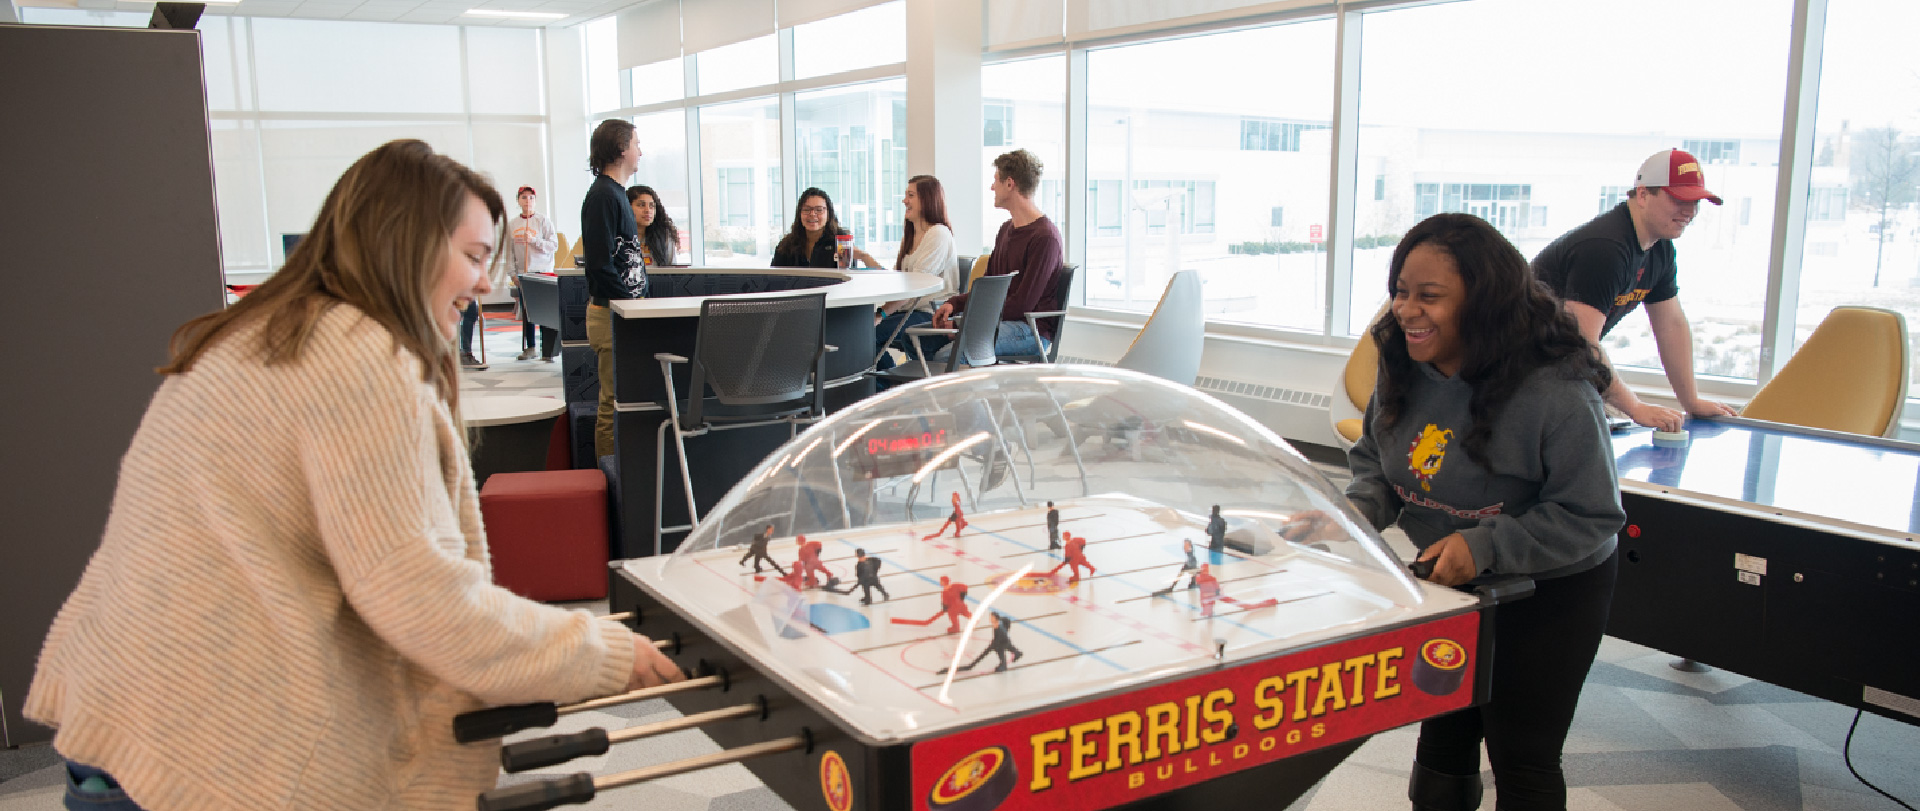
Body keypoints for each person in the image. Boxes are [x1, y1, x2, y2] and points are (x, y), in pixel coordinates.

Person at [22, 140, 685, 811]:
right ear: (409, 242)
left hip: (133, 717)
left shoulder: (267, 333)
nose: (485, 283)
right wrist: (600, 650)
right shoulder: (358, 361)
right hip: (200, 746)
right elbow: (424, 600)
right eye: (474, 256)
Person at [1346, 213, 1624, 810]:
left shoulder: (1555, 390)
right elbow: (1379, 460)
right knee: (1444, 732)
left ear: (1485, 300)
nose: (1406, 310)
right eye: (1400, 292)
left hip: (1549, 588)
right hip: (1451, 582)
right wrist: (1354, 516)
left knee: (1521, 754)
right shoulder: (1401, 360)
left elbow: (1592, 514)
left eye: (1429, 297)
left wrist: (1486, 546)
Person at [1531, 149, 1739, 433]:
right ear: (1642, 195)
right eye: (1679, 199)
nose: (1690, 212)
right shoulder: (1605, 248)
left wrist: (1691, 401)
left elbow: (1671, 326)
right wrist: (1635, 407)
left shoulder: (1660, 249)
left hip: (1552, 369)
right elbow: (1581, 342)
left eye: (1696, 202)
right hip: (1509, 372)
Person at [927, 149, 1062, 362]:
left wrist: (964, 323)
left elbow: (1021, 305)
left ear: (1010, 184)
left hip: (1029, 330)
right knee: (920, 341)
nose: (992, 187)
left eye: (995, 180)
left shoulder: (1046, 237)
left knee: (948, 356)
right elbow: (987, 291)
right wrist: (955, 304)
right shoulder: (1005, 230)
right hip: (999, 323)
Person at [582, 119, 650, 459]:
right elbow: (599, 265)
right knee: (611, 402)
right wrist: (630, 307)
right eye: (637, 143)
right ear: (622, 149)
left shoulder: (617, 195)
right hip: (612, 316)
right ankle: (608, 473)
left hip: (622, 313)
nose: (641, 150)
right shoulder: (602, 197)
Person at [873, 175, 958, 369]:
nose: (904, 201)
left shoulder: (938, 234)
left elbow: (914, 287)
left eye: (910, 195)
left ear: (927, 200)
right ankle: (889, 384)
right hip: (909, 310)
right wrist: (863, 257)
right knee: (862, 335)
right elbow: (900, 280)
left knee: (868, 338)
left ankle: (888, 387)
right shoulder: (911, 235)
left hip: (929, 313)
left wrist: (880, 314)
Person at [505, 185, 560, 362]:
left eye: (531, 198)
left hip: (543, 272)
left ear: (535, 201)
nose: (527, 201)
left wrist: (534, 241)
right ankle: (530, 347)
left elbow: (553, 245)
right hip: (524, 274)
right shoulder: (513, 224)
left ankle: (548, 350)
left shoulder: (543, 221)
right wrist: (512, 273)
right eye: (524, 197)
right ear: (518, 201)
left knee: (545, 311)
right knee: (527, 312)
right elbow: (509, 252)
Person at [772, 188, 865, 269]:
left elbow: (848, 274)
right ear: (799, 214)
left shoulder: (841, 241)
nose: (812, 214)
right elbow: (773, 278)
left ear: (828, 214)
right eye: (806, 209)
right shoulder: (786, 245)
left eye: (819, 210)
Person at [626, 185, 681, 268]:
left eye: (652, 206)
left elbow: (672, 273)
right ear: (627, 207)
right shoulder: (617, 237)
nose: (648, 210)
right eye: (641, 205)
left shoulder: (664, 235)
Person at [956, 612, 1023, 673]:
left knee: (1000, 649)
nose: (990, 619)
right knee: (1007, 647)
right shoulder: (999, 622)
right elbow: (1006, 620)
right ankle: (1017, 653)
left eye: (991, 617)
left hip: (1003, 642)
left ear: (995, 618)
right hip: (1003, 640)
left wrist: (993, 646)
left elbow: (999, 640)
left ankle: (1003, 665)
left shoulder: (999, 628)